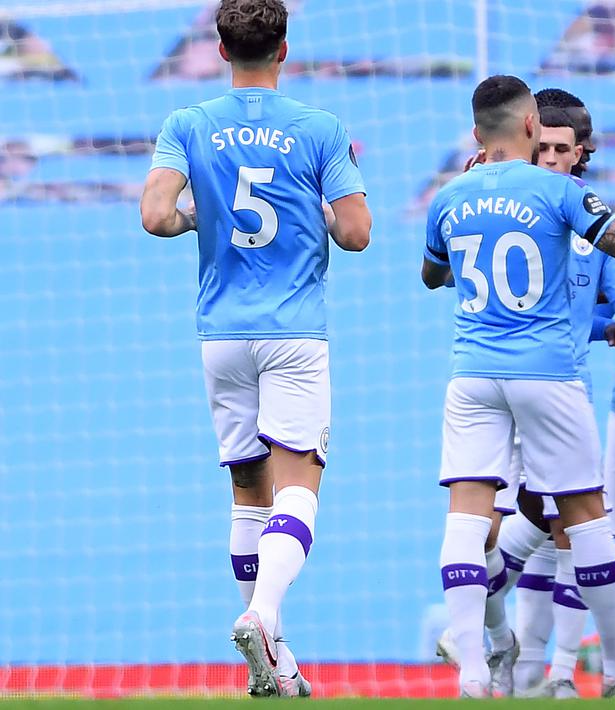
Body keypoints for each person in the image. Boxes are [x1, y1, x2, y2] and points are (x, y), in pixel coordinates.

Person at [421, 74, 615, 697]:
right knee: (583, 516)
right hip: (547, 373)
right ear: (531, 125)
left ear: (476, 134)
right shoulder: (558, 192)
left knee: (468, 516)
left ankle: (474, 669)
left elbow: (431, 274)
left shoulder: (450, 195)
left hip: (472, 373)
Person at [139, 0, 371, 698]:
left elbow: (155, 216)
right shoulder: (319, 128)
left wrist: (194, 220)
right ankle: (263, 616)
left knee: (247, 489)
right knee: (298, 483)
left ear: (220, 50)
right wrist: (319, 211)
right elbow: (356, 234)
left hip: (222, 334)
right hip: (293, 331)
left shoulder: (188, 123)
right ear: (284, 49)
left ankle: (278, 661)